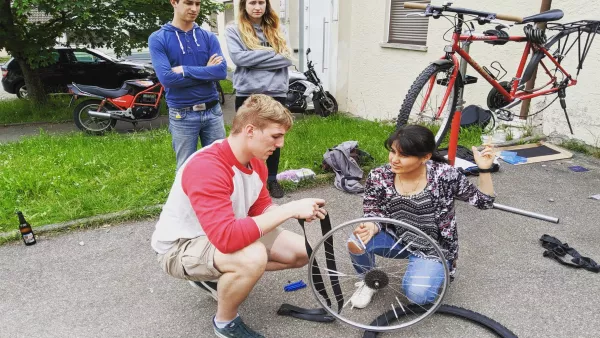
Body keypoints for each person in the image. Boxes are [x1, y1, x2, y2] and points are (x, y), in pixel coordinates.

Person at [151, 94, 327, 338]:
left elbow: (260, 207)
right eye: (276, 136)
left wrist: (295, 212)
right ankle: (225, 323)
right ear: (250, 130)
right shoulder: (207, 168)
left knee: (305, 250)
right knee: (252, 257)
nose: (281, 144)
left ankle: (218, 277)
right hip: (181, 247)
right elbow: (227, 240)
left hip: (221, 234)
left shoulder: (256, 161)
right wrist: (288, 209)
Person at [348, 125, 496, 309]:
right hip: (398, 237)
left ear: (425, 157)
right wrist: (372, 224)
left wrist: (484, 170)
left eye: (403, 155)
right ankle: (369, 280)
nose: (394, 160)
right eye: (393, 152)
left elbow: (484, 202)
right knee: (356, 241)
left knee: (418, 296)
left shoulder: (444, 175)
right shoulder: (379, 175)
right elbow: (372, 209)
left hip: (433, 247)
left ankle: (440, 266)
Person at [225, 0, 293, 198]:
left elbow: (287, 58)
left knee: (274, 137)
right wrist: (273, 52)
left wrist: (253, 57)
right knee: (246, 137)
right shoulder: (234, 30)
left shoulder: (278, 28)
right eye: (252, 2)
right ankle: (244, 180)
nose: (257, 7)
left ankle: (271, 179)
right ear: (244, 5)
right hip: (249, 92)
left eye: (261, 2)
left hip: (276, 91)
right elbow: (239, 59)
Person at [149, 0, 228, 170]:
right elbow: (168, 79)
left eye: (198, 4)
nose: (194, 9)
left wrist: (185, 70)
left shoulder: (208, 37)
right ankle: (187, 198)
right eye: (188, 3)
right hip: (182, 114)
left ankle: (217, 197)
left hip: (213, 111)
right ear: (174, 2)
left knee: (220, 165)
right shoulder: (158, 38)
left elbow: (221, 72)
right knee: (185, 169)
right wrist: (207, 72)